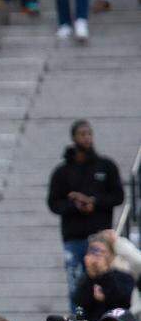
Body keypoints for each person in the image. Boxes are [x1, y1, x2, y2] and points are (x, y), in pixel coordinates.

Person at [47, 121, 125, 305]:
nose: (87, 138)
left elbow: (118, 196)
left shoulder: (106, 166)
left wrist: (95, 203)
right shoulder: (62, 172)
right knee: (77, 285)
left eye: (89, 133)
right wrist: (76, 205)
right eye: (82, 134)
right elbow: (54, 203)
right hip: (74, 238)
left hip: (101, 237)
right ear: (74, 137)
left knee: (105, 281)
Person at [73, 232, 135, 321]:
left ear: (112, 255)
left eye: (101, 252)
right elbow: (79, 302)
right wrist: (90, 275)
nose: (96, 257)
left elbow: (123, 302)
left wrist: (105, 273)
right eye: (93, 252)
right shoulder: (86, 279)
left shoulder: (124, 277)